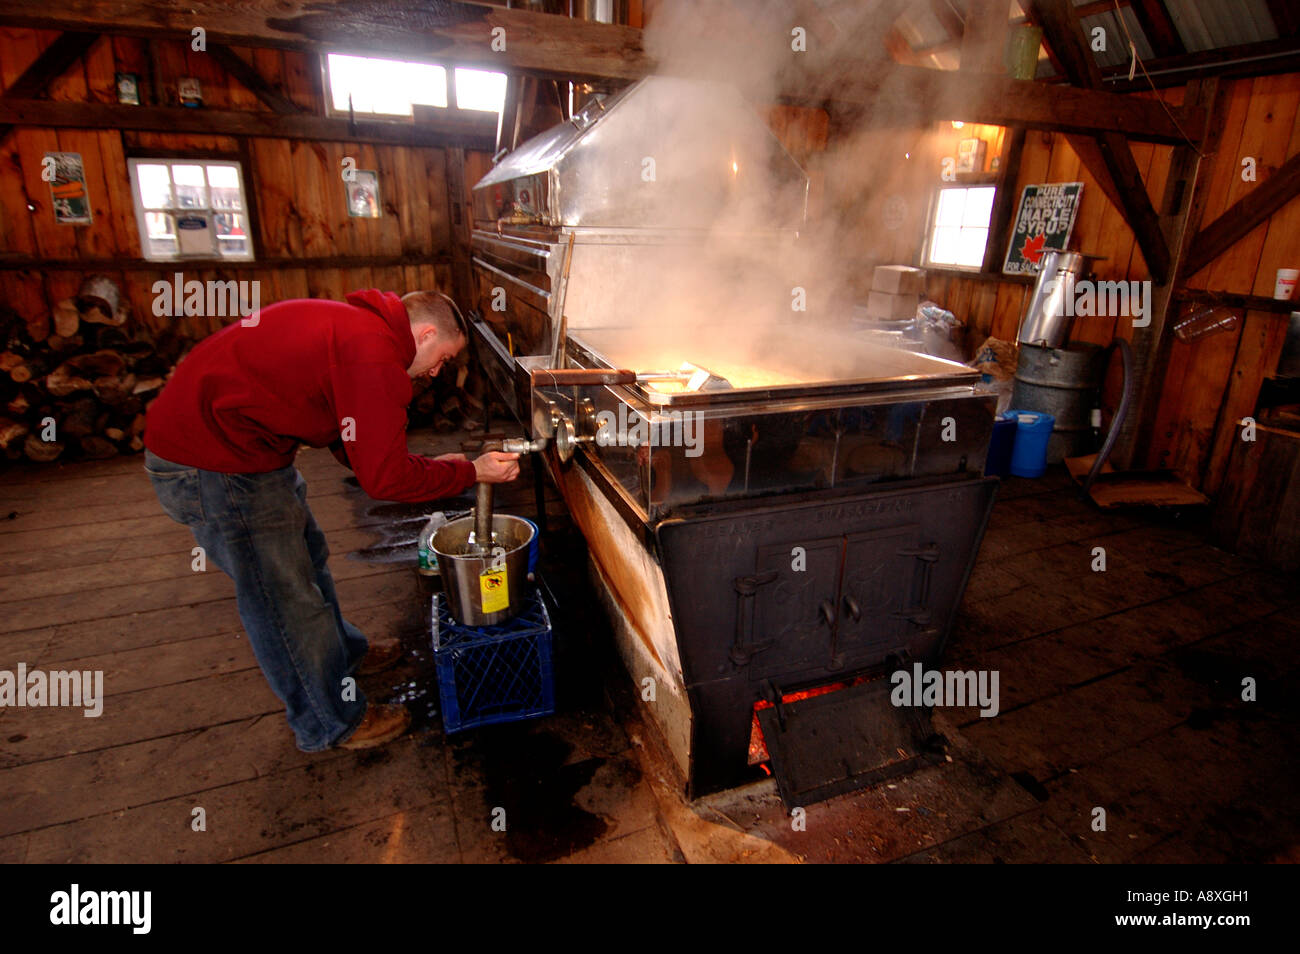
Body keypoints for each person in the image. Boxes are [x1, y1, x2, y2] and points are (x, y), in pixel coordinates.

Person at [142, 289, 520, 752]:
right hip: (214, 465)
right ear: (423, 335)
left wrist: (435, 467)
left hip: (247, 450)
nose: (437, 372)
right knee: (282, 598)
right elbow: (384, 479)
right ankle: (329, 721)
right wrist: (468, 470)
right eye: (441, 358)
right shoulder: (372, 354)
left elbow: (355, 439)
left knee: (307, 558)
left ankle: (342, 653)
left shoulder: (360, 331)